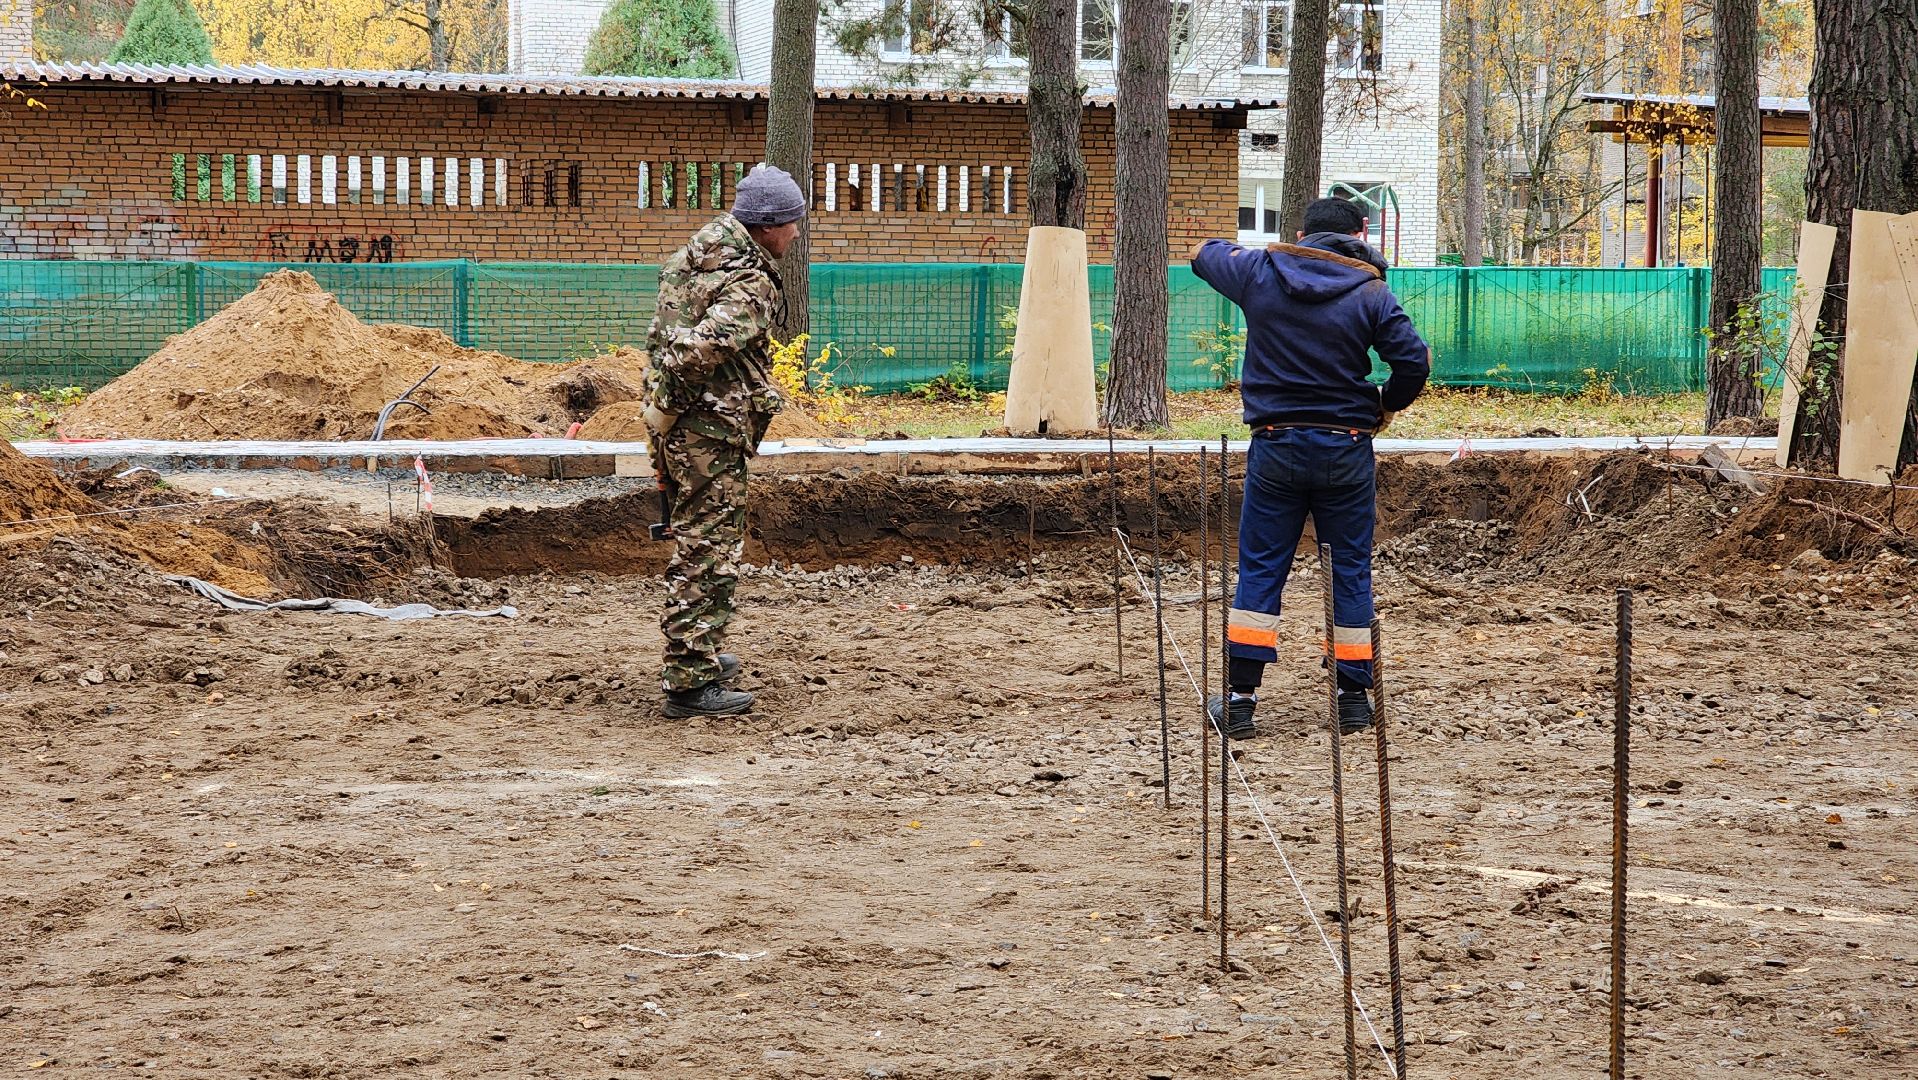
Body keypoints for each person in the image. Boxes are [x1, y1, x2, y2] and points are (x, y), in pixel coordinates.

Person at [1190, 196, 1431, 740]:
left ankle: (1239, 701)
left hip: (1275, 446)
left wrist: (1262, 253)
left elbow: (1205, 254)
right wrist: (1382, 405)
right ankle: (1351, 699)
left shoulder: (1261, 271)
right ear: (1363, 230)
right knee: (1348, 568)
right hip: (1346, 448)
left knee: (1260, 569)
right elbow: (1414, 361)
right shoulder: (1371, 292)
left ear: (1300, 233)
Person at [642, 164, 806, 717]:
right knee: (707, 548)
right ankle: (689, 681)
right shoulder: (750, 280)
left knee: (700, 539)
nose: (796, 232)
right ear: (767, 225)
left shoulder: (696, 254)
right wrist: (676, 404)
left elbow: (664, 336)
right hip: (709, 431)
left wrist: (660, 413)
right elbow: (696, 351)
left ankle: (703, 650)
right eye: (792, 222)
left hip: (680, 423)